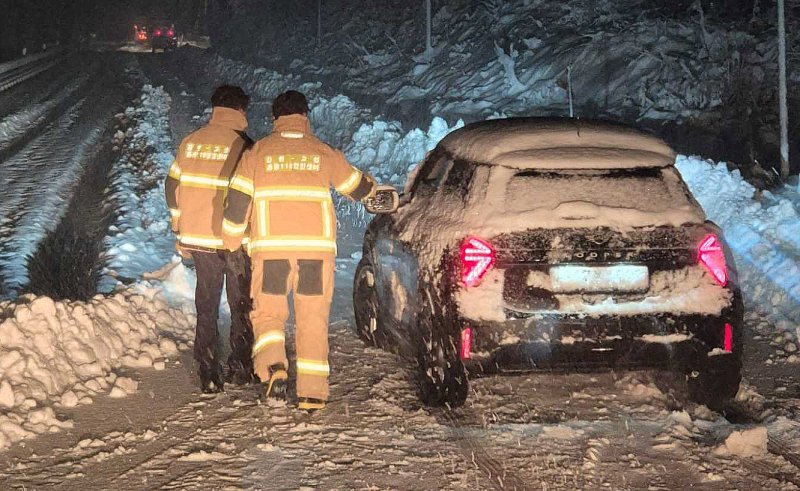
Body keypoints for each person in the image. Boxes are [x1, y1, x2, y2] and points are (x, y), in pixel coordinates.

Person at [221, 90, 378, 411]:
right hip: (314, 256)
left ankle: (273, 369)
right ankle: (312, 394)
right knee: (312, 319)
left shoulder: (258, 153)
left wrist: (231, 240)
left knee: (268, 314)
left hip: (272, 252)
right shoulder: (322, 152)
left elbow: (237, 203)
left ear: (275, 119)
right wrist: (376, 192)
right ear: (306, 116)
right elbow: (356, 186)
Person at [164, 85, 256, 393]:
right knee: (241, 302)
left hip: (199, 240)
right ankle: (241, 367)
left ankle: (208, 370)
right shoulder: (244, 146)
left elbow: (171, 184)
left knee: (207, 303)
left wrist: (179, 224)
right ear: (241, 111)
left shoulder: (191, 142)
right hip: (234, 241)